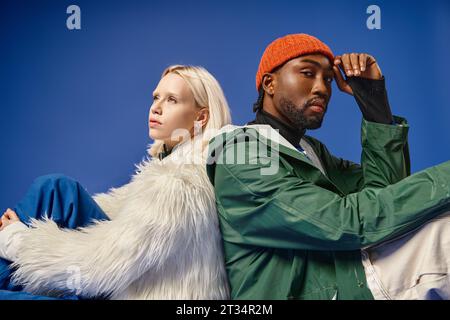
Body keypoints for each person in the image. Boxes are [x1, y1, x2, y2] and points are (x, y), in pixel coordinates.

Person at [206, 33, 450, 300]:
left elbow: (387, 200)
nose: (322, 88)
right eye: (308, 73)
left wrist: (374, 104)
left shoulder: (310, 150)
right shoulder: (240, 153)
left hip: (354, 280)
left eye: (329, 79)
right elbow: (346, 223)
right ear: (270, 83)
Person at [0, 65, 231, 300]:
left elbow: (99, 268)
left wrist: (18, 241)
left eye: (172, 100)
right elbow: (126, 226)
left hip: (127, 291)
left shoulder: (179, 184)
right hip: (123, 283)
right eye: (156, 97)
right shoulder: (172, 171)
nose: (156, 108)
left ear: (201, 117)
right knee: (57, 190)